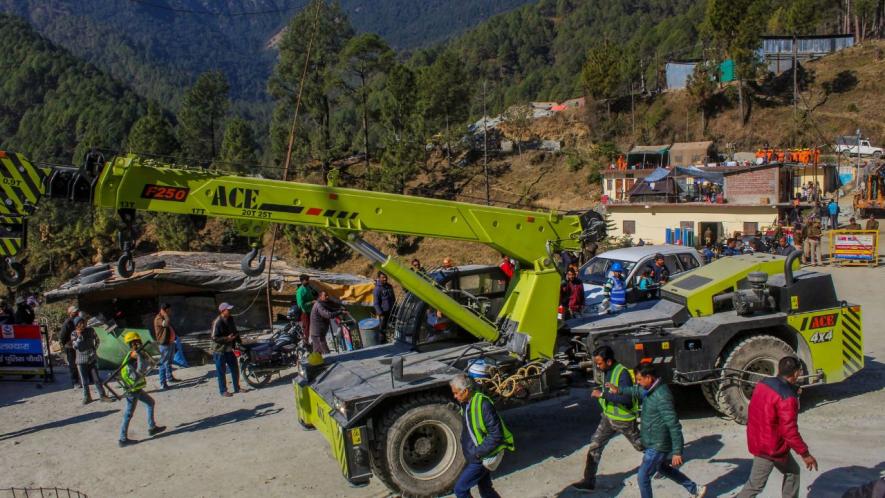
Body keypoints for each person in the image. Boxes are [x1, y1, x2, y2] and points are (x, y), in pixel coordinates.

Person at [609, 363, 707, 498]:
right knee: (663, 468)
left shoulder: (661, 396)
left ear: (649, 377)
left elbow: (673, 425)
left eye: (639, 379)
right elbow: (636, 391)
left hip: (658, 445)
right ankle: (695, 489)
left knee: (643, 477)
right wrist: (619, 390)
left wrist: (677, 451)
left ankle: (695, 489)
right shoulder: (649, 389)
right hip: (653, 442)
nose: (638, 383)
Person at [736, 356, 818, 498]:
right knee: (755, 486)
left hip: (759, 438)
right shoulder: (788, 398)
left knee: (793, 472)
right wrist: (805, 454)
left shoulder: (764, 383)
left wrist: (792, 390)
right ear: (796, 373)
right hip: (770, 448)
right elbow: (789, 431)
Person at [572, 346, 643, 491]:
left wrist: (602, 395)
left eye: (599, 363)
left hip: (624, 420)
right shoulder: (606, 371)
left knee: (641, 445)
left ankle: (663, 463)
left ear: (609, 361)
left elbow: (627, 399)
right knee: (595, 445)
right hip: (608, 418)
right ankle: (589, 482)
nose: (597, 366)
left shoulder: (622, 373)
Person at [450, 373, 514, 498]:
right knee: (486, 489)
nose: (455, 396)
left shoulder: (483, 405)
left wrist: (478, 453)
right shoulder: (466, 403)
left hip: (480, 457)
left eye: (456, 393)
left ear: (465, 391)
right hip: (475, 455)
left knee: (460, 489)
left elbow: (496, 435)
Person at [118, 331, 165, 447]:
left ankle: (152, 427)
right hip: (133, 390)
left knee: (150, 403)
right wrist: (147, 361)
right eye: (137, 341)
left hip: (134, 388)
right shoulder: (135, 354)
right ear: (134, 343)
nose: (140, 343)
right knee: (128, 414)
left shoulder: (132, 354)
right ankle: (122, 439)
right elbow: (141, 369)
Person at [72, 316, 112, 404]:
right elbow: (75, 346)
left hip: (91, 359)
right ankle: (87, 397)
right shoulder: (74, 333)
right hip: (81, 361)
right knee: (84, 381)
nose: (82, 325)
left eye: (83, 322)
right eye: (80, 323)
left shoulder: (90, 330)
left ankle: (102, 396)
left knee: (96, 379)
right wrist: (79, 336)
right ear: (76, 325)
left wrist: (94, 349)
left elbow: (97, 340)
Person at [210, 303, 242, 397]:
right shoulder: (217, 322)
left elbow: (235, 331)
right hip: (219, 350)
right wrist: (227, 338)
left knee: (235, 369)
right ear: (222, 311)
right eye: (228, 309)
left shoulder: (230, 319)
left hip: (229, 349)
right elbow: (214, 337)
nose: (230, 311)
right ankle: (223, 391)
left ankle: (237, 388)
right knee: (221, 371)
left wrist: (239, 341)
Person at [152, 303, 179, 389]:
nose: (171, 311)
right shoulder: (158, 318)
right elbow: (166, 324)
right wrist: (165, 315)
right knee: (163, 363)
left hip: (170, 343)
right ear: (166, 310)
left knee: (169, 362)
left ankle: (170, 378)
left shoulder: (164, 317)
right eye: (169, 310)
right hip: (164, 344)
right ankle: (163, 384)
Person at [60, 305, 81, 388]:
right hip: (70, 346)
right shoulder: (68, 322)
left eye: (77, 311)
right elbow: (62, 336)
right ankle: (75, 382)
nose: (77, 313)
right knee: (73, 365)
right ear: (70, 313)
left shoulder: (78, 320)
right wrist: (67, 344)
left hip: (79, 345)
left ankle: (88, 378)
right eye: (75, 312)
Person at [372, 272, 395, 342]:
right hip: (383, 313)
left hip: (392, 310)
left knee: (394, 326)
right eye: (383, 278)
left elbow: (393, 298)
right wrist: (380, 314)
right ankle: (382, 342)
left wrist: (395, 306)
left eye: (385, 277)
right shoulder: (377, 289)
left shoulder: (389, 286)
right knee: (382, 329)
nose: (385, 279)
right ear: (379, 278)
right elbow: (376, 303)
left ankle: (393, 339)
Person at [296, 274, 317, 341]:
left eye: (308, 280)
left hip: (311, 310)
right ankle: (306, 341)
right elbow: (301, 305)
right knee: (306, 328)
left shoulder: (308, 287)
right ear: (302, 281)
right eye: (306, 280)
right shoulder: (300, 291)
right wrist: (311, 302)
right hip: (305, 312)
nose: (308, 281)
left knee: (313, 326)